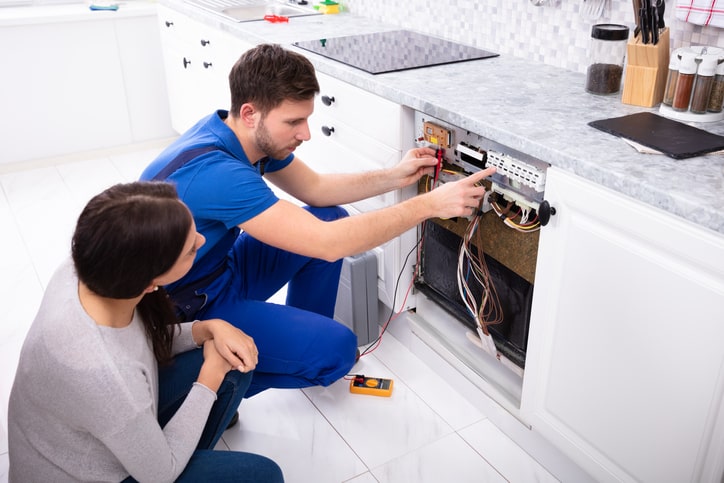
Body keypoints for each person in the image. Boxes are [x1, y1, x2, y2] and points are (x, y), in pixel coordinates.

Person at [140, 43, 495, 397]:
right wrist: (430, 205)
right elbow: (329, 244)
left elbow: (316, 189)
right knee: (337, 352)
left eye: (307, 119)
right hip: (190, 309)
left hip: (219, 270)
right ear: (250, 113)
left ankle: (301, 339)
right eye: (294, 122)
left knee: (328, 216)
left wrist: (394, 175)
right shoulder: (217, 173)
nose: (305, 133)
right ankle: (202, 383)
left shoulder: (234, 133)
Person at [7, 182, 284, 483]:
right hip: (85, 474)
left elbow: (138, 338)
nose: (202, 241)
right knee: (264, 476)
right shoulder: (100, 372)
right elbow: (159, 474)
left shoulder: (92, 270)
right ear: (149, 282)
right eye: (191, 248)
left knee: (230, 358)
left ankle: (186, 450)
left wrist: (207, 328)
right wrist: (209, 379)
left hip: (93, 429)